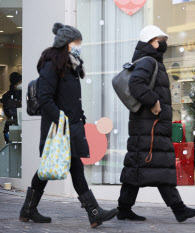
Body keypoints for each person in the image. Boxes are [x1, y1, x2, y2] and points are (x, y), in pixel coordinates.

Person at [18, 23, 118, 228]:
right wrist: (61, 119)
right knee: (65, 168)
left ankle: (29, 209)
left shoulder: (70, 66)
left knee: (61, 168)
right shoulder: (51, 65)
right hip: (59, 128)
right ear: (66, 44)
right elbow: (45, 98)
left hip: (70, 126)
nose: (80, 46)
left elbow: (71, 98)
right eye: (77, 42)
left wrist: (79, 117)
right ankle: (93, 212)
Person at [117, 25, 195, 223]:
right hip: (149, 126)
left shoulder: (149, 61)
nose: (163, 44)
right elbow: (136, 84)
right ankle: (179, 209)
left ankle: (124, 209)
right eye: (160, 40)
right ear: (150, 42)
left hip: (149, 126)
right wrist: (154, 100)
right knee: (158, 166)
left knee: (139, 168)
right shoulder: (148, 61)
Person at [0, 72, 22, 144]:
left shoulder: (21, 93)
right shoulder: (7, 96)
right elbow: (8, 113)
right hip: (11, 128)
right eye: (19, 82)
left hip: (16, 126)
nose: (21, 84)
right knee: (12, 150)